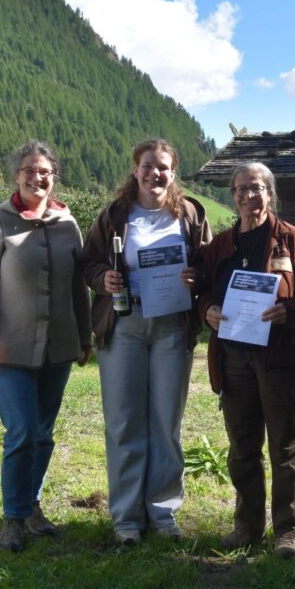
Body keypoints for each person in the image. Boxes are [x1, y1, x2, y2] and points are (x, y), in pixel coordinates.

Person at [79, 139, 211, 544]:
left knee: (165, 422)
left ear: (174, 173)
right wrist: (104, 279)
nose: (156, 173)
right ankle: (127, 518)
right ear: (135, 170)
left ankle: (163, 511)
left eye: (164, 167)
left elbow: (208, 263)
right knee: (124, 421)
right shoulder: (116, 214)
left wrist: (197, 277)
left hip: (172, 325)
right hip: (125, 323)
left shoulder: (189, 213)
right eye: (148, 166)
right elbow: (89, 263)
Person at [0, 140, 91, 552]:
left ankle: (31, 506)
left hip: (58, 349)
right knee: (21, 430)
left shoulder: (67, 224)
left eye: (45, 171)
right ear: (16, 176)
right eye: (29, 170)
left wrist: (85, 336)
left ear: (54, 176)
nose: (37, 177)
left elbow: (79, 287)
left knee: (43, 432)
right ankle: (13, 516)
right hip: (9, 350)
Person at [197, 162, 295, 559]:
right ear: (233, 196)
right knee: (242, 447)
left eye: (257, 188)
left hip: (281, 359)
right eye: (241, 189)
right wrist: (208, 311)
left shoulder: (293, 241)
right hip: (234, 359)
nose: (249, 196)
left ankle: (288, 531)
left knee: (285, 447)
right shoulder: (220, 246)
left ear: (270, 192)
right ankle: (247, 526)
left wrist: (290, 310)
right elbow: (202, 291)